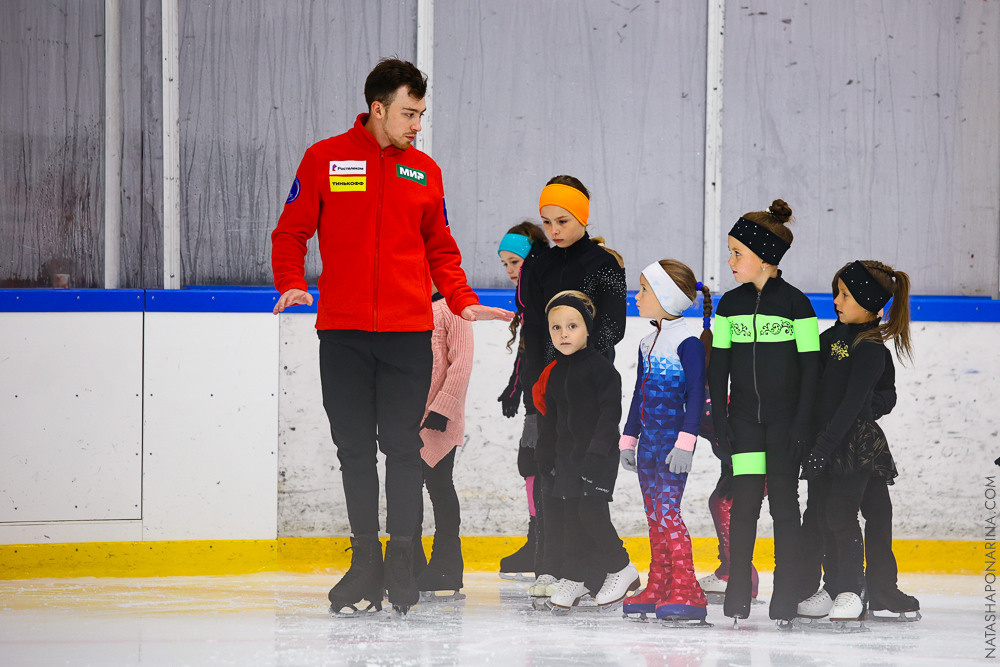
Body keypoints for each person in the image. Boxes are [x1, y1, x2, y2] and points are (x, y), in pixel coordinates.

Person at [270, 58, 511, 616]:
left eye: (421, 114)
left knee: (403, 450)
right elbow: (291, 231)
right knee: (354, 451)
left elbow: (440, 248)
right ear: (377, 109)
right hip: (344, 335)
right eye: (408, 112)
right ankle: (364, 566)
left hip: (408, 335)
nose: (416, 124)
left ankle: (403, 564)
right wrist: (290, 283)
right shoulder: (325, 159)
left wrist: (462, 300)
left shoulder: (424, 171)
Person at [707, 200, 820, 623]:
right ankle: (738, 591)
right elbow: (718, 367)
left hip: (785, 426)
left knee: (785, 508)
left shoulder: (798, 305)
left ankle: (785, 595)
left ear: (766, 258)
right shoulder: (728, 306)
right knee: (746, 504)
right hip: (745, 426)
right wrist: (721, 417)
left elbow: (811, 368)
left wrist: (802, 422)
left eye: (738, 252)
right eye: (731, 251)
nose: (731, 260)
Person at [518, 175, 627, 600]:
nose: (554, 230)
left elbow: (614, 325)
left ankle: (592, 570)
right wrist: (533, 385)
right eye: (546, 222)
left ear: (582, 217)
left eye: (562, 220)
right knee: (548, 473)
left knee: (583, 478)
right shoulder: (537, 263)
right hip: (547, 384)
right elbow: (530, 325)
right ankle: (552, 566)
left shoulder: (605, 264)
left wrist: (577, 364)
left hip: (589, 382)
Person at [796, 260, 914, 623]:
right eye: (837, 291)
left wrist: (864, 410)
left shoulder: (872, 348)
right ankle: (842, 588)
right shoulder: (831, 339)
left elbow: (879, 396)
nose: (836, 300)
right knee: (832, 515)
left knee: (858, 516)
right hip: (831, 441)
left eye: (845, 294)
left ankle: (860, 590)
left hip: (856, 446)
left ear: (870, 302)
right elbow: (816, 391)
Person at [618, 259, 712, 625]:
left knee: (669, 512)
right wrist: (629, 438)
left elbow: (695, 394)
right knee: (654, 514)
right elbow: (639, 395)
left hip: (673, 445)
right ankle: (659, 582)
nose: (637, 297)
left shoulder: (688, 343)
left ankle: (687, 587)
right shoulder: (646, 343)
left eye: (644, 290)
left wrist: (686, 443)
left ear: (666, 296)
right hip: (649, 446)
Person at [532, 291, 638, 612]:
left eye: (572, 326)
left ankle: (622, 569)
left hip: (598, 457)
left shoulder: (601, 369)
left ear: (588, 329)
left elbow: (610, 417)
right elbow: (552, 420)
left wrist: (596, 454)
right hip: (567, 459)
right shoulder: (556, 372)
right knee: (570, 519)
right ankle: (575, 578)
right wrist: (545, 454)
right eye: (556, 328)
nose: (564, 334)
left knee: (591, 514)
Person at [495, 221, 550, 580]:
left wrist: (531, 392)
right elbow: (527, 352)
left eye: (515, 262)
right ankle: (537, 538)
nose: (511, 271)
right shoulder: (529, 298)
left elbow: (546, 349)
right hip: (535, 396)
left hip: (549, 398)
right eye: (506, 264)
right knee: (529, 462)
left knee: (540, 463)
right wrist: (514, 386)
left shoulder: (543, 292)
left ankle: (546, 540)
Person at [413, 285, 474, 598]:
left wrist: (443, 407)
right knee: (407, 486)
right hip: (408, 413)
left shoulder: (454, 308)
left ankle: (447, 564)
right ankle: (409, 560)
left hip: (439, 417)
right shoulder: (412, 304)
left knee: (438, 485)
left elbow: (461, 362)